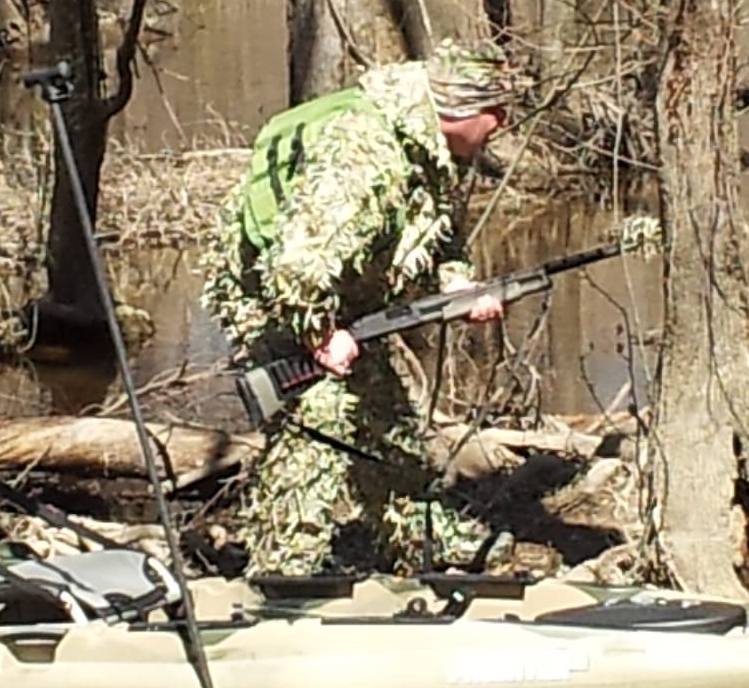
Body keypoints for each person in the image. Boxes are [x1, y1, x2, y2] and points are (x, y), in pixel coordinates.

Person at [201, 40, 528, 576]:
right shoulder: (366, 154)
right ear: (459, 111)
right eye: (495, 111)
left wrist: (457, 286)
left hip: (339, 296)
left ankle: (424, 540)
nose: (503, 122)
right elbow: (294, 266)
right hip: (273, 295)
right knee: (318, 420)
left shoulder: (436, 152)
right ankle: (284, 572)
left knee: (384, 415)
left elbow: (437, 234)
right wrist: (322, 334)